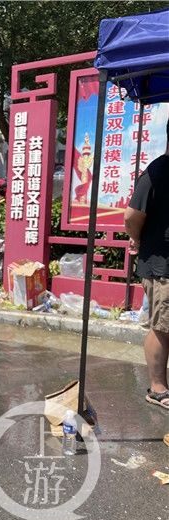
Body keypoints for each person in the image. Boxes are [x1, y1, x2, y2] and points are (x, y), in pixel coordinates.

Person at [125, 118, 169, 411]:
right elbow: (131, 217)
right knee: (163, 326)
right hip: (162, 265)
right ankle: (157, 387)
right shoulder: (157, 171)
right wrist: (137, 240)